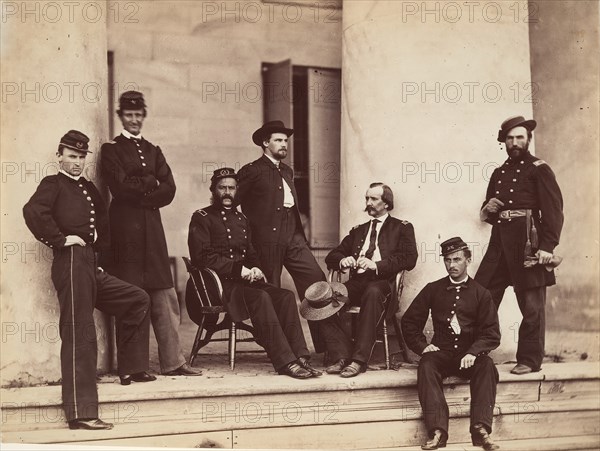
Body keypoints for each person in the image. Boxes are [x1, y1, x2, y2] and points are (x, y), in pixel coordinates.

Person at [23, 130, 155, 431]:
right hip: (70, 262)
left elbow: (104, 225)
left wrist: (98, 252)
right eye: (72, 156)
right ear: (59, 156)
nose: (77, 162)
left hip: (90, 263)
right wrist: (60, 239)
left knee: (137, 299)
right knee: (80, 331)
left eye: (82, 157)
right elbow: (33, 212)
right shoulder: (52, 184)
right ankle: (81, 413)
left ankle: (131, 368)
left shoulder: (89, 187)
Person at [101, 91, 201, 376]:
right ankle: (134, 367)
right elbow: (118, 188)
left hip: (153, 234)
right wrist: (149, 182)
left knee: (164, 296)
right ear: (121, 116)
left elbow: (169, 189)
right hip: (125, 234)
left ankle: (174, 362)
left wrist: (141, 189)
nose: (134, 120)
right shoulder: (112, 150)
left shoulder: (154, 150)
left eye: (138, 115)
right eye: (129, 115)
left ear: (144, 116)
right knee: (132, 296)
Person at [187, 168, 322, 379]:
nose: (227, 193)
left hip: (242, 284)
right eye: (222, 188)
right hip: (218, 286)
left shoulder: (242, 219)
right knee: (260, 297)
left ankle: (301, 356)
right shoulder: (202, 217)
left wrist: (256, 268)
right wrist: (239, 270)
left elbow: (250, 253)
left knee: (285, 296)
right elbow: (201, 257)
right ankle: (285, 361)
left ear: (237, 191)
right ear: (213, 190)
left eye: (231, 188)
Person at [475, 115, 564, 375]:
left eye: (520, 138)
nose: (515, 142)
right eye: (510, 138)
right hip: (499, 245)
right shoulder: (498, 173)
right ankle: (475, 354)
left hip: (529, 244)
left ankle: (529, 359)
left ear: (528, 140)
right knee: (481, 297)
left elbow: (554, 211)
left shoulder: (540, 169)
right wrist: (486, 209)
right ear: (504, 141)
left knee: (532, 306)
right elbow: (489, 212)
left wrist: (547, 247)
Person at [309, 182, 417, 378]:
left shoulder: (402, 228)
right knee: (322, 301)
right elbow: (332, 256)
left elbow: (409, 258)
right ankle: (341, 355)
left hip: (383, 283)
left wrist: (376, 265)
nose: (368, 203)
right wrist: (343, 260)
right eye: (367, 198)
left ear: (386, 203)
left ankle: (358, 360)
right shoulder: (359, 230)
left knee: (373, 292)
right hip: (357, 283)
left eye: (374, 199)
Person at [402, 237, 501, 450]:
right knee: (427, 364)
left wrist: (474, 352)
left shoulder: (481, 293)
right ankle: (437, 431)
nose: (452, 265)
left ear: (468, 260)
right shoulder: (433, 289)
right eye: (447, 260)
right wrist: (422, 346)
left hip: (470, 356)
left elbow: (492, 333)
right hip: (443, 353)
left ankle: (481, 429)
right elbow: (409, 321)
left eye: (457, 259)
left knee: (487, 366)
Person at [237, 121, 326, 351]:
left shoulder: (287, 170)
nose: (284, 144)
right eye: (278, 140)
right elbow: (230, 202)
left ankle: (327, 347)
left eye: (285, 140)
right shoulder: (251, 170)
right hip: (265, 240)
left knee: (317, 282)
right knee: (272, 292)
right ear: (265, 143)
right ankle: (282, 351)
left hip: (293, 235)